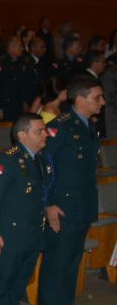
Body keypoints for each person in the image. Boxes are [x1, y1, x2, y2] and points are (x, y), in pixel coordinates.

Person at [39, 78, 105, 305]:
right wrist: (47, 204)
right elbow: (43, 164)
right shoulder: (60, 126)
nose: (102, 102)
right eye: (97, 97)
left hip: (81, 206)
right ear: (79, 99)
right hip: (62, 208)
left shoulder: (88, 125)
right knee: (56, 268)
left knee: (70, 267)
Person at [0, 114, 51, 304]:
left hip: (31, 235)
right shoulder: (6, 161)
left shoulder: (40, 159)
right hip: (8, 237)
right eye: (39, 131)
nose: (46, 134)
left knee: (17, 286)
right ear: (22, 135)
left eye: (44, 129)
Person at [0, 37, 26, 123]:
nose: (22, 49)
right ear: (11, 47)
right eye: (20, 46)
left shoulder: (20, 62)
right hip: (3, 105)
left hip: (15, 106)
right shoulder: (0, 62)